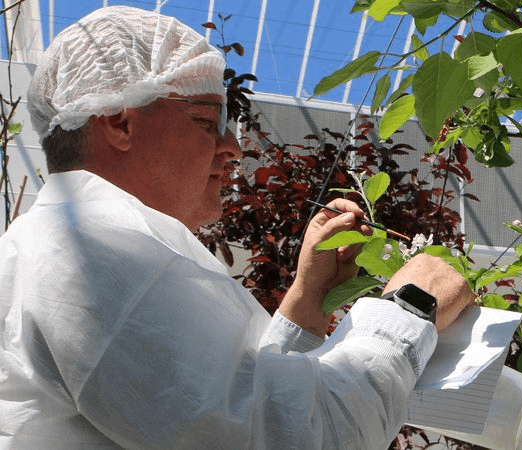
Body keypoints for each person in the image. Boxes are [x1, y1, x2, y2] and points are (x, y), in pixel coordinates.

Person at [0, 5, 474, 449]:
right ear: (120, 122)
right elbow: (294, 435)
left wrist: (308, 299)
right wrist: (412, 306)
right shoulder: (87, 251)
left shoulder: (76, 241)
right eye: (206, 120)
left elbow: (236, 400)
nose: (232, 146)